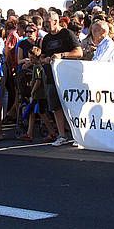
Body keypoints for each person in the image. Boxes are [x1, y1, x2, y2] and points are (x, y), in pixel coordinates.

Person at [41, 11, 83, 146]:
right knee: (56, 106)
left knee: (73, 105)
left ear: (55, 21)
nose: (46, 25)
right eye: (45, 22)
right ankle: (62, 135)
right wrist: (44, 59)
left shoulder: (67, 34)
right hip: (51, 77)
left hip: (69, 77)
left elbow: (79, 52)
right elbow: (42, 56)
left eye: (48, 22)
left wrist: (62, 55)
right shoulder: (46, 38)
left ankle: (78, 135)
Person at [18, 46, 56, 142]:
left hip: (39, 94)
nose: (30, 60)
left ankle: (52, 133)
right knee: (32, 112)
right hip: (38, 94)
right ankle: (29, 133)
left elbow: (38, 81)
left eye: (32, 58)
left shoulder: (38, 67)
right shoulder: (37, 66)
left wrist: (32, 91)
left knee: (42, 113)